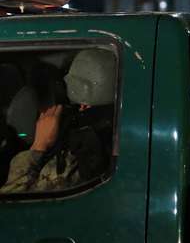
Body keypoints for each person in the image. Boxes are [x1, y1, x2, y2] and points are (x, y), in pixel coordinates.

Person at [1, 48, 116, 193]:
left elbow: (13, 204)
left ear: (83, 102)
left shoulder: (79, 152)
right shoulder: (117, 131)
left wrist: (39, 145)